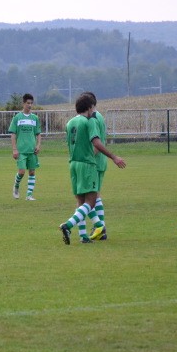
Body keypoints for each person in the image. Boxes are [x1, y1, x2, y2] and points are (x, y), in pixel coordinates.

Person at [59, 93, 126, 245]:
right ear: (90, 108)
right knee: (91, 201)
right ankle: (68, 225)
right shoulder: (88, 122)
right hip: (87, 164)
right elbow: (96, 142)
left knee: (81, 201)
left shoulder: (69, 123)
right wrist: (114, 157)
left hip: (73, 164)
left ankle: (84, 236)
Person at [76, 91, 108, 242]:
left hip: (94, 162)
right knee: (95, 195)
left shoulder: (93, 118)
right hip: (99, 161)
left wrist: (88, 159)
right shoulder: (99, 116)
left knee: (89, 198)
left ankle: (100, 228)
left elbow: (96, 143)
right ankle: (100, 228)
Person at [8, 93, 42, 201]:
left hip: (32, 150)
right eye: (28, 103)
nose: (30, 105)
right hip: (21, 150)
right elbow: (13, 134)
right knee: (22, 172)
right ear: (23, 103)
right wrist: (14, 149)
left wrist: (38, 145)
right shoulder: (17, 117)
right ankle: (16, 186)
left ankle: (29, 195)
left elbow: (38, 134)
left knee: (32, 172)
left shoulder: (35, 118)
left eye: (31, 103)